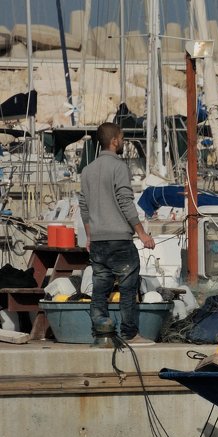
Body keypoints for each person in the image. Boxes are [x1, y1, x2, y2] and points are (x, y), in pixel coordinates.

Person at [79, 121, 156, 344]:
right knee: (128, 288)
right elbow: (125, 202)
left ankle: (101, 333)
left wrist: (90, 236)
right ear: (114, 141)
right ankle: (130, 334)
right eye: (121, 138)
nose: (122, 142)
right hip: (120, 241)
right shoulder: (119, 167)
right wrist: (141, 233)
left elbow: (84, 207)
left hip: (99, 242)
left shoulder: (87, 170)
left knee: (100, 291)